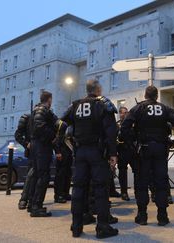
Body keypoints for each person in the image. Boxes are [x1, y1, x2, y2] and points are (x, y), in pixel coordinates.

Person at [120, 85, 174, 226]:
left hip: (143, 148)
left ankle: (142, 215)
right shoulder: (165, 108)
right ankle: (162, 216)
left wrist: (132, 144)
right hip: (161, 148)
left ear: (145, 95)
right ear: (156, 96)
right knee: (161, 180)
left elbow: (124, 127)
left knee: (142, 181)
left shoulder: (138, 108)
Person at [62, 79, 119, 239]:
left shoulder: (75, 105)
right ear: (98, 89)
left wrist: (70, 143)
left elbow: (62, 124)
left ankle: (76, 226)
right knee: (100, 188)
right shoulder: (103, 104)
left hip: (80, 152)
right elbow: (111, 131)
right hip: (97, 152)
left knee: (79, 188)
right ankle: (102, 227)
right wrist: (113, 154)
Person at [29, 91, 57, 217]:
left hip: (37, 145)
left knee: (37, 175)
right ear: (49, 99)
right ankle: (36, 206)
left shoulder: (36, 109)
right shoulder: (42, 110)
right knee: (43, 176)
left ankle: (33, 204)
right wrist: (53, 135)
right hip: (41, 146)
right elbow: (40, 126)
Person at [14, 113, 35, 211]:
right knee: (31, 175)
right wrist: (26, 144)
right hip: (32, 153)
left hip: (39, 151)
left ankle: (29, 200)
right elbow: (18, 135)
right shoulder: (27, 117)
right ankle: (24, 199)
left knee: (34, 176)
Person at [116, 106, 136, 201]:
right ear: (120, 114)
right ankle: (124, 193)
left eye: (127, 112)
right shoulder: (117, 125)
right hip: (122, 151)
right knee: (122, 173)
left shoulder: (132, 125)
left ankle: (139, 191)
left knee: (138, 171)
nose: (126, 114)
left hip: (132, 150)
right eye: (124, 112)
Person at [53, 119, 73, 203]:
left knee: (68, 173)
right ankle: (58, 195)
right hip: (62, 151)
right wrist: (57, 151)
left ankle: (65, 193)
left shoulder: (70, 123)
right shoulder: (62, 124)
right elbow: (56, 139)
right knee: (60, 174)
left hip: (68, 150)